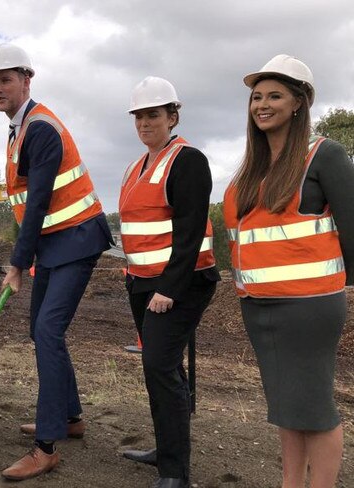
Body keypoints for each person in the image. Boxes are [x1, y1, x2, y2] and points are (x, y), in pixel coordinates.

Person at [0, 43, 114, 481]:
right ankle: (70, 417)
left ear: (26, 80)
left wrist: (16, 264)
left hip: (76, 240)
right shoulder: (18, 130)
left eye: (6, 80)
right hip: (55, 245)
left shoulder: (39, 128)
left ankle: (47, 445)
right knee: (43, 330)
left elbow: (37, 202)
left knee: (47, 330)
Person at [224, 55, 354, 488]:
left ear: (299, 102)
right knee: (285, 405)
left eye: (275, 95)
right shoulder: (253, 170)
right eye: (256, 97)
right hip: (260, 307)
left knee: (314, 410)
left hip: (309, 307)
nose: (262, 104)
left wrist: (331, 286)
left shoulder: (324, 155)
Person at [119, 77, 219, 488]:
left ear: (172, 116)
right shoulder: (135, 166)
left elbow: (190, 230)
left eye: (153, 115)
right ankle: (165, 450)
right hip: (142, 283)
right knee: (160, 368)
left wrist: (169, 289)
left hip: (181, 283)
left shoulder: (187, 160)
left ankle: (175, 472)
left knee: (159, 365)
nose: (145, 122)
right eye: (139, 115)